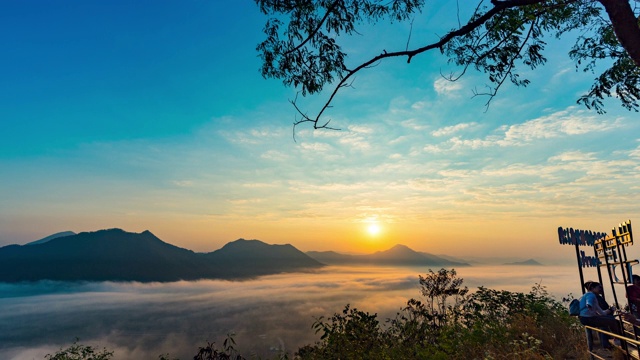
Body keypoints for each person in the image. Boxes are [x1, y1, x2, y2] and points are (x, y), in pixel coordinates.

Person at [579, 281, 623, 347]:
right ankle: (617, 339)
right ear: (592, 288)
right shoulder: (590, 295)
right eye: (599, 287)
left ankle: (616, 339)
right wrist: (589, 306)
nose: (600, 289)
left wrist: (610, 310)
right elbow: (589, 302)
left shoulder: (594, 298)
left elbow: (602, 313)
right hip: (587, 318)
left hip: (586, 318)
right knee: (613, 321)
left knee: (613, 321)